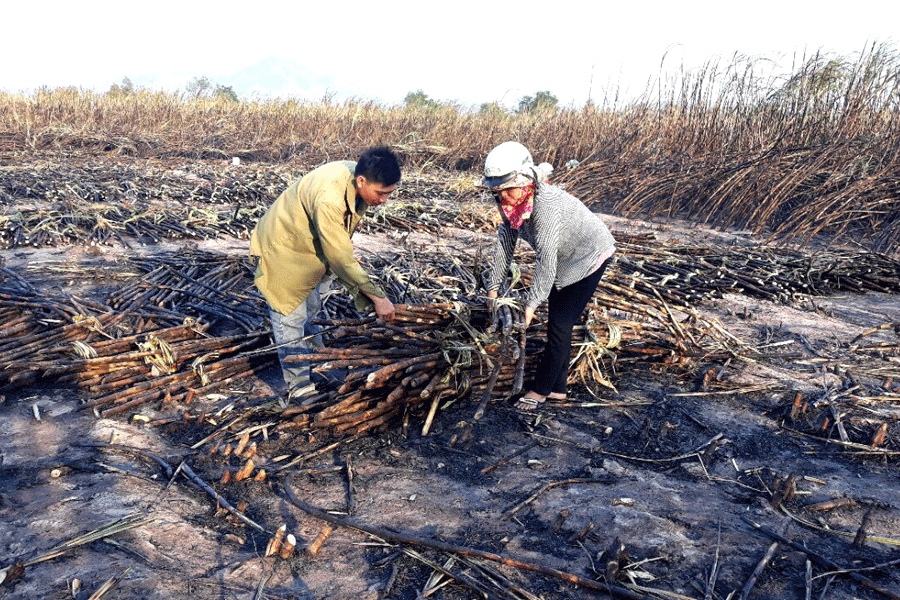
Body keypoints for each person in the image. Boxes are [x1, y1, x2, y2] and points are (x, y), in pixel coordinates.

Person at [250, 147, 401, 398]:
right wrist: (378, 298)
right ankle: (299, 388)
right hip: (282, 248)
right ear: (361, 181)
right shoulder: (330, 197)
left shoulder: (358, 176)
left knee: (310, 310)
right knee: (290, 317)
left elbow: (338, 243)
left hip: (310, 246)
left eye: (389, 194)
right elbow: (340, 257)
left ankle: (318, 367)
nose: (384, 200)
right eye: (381, 193)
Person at [481, 141, 616, 411]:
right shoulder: (509, 202)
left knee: (560, 323)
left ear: (525, 182)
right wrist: (493, 289)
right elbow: (505, 243)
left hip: (589, 255)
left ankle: (541, 390)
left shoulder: (545, 205)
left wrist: (532, 303)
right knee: (559, 320)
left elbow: (545, 259)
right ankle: (558, 390)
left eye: (508, 189)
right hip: (565, 257)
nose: (503, 195)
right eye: (497, 190)